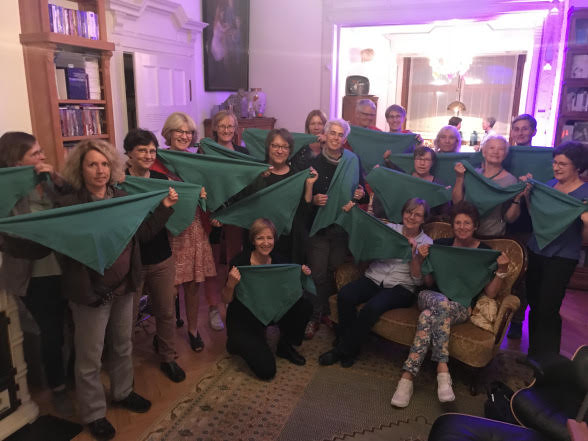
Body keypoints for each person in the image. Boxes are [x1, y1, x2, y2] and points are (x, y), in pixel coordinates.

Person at [59, 140, 177, 439]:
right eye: (92, 164)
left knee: (123, 344)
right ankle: (94, 413)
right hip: (90, 293)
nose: (100, 170)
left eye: (104, 164)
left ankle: (123, 392)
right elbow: (67, 251)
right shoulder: (70, 206)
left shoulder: (122, 198)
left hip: (124, 286)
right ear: (80, 169)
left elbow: (143, 234)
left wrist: (164, 208)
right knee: (90, 356)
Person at [390, 201, 509, 408]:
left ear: (475, 226)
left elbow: (491, 293)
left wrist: (502, 270)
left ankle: (407, 378)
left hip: (460, 307)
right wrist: (420, 259)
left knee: (428, 316)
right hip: (429, 296)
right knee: (441, 302)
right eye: (458, 223)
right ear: (452, 225)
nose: (462, 227)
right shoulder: (441, 246)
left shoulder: (485, 252)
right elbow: (427, 282)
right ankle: (443, 370)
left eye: (467, 223)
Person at [0, 132, 73, 416]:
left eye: (41, 151)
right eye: (35, 154)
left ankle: (71, 376)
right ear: (15, 162)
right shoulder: (7, 189)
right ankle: (58, 387)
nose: (43, 157)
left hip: (63, 265)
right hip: (33, 274)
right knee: (51, 332)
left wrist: (57, 179)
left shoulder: (48, 180)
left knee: (71, 325)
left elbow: (73, 204)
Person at [318, 198, 433, 367]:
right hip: (374, 277)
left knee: (371, 308)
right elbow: (366, 231)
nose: (412, 217)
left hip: (401, 288)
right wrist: (354, 212)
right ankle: (350, 348)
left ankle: (341, 350)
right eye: (409, 212)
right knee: (345, 295)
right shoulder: (389, 229)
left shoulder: (427, 243)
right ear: (403, 213)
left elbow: (418, 280)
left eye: (418, 215)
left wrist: (414, 257)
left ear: (423, 219)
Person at [123, 128, 186, 383]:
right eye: (142, 150)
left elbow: (181, 206)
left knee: (166, 312)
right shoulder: (120, 183)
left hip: (161, 257)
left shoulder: (161, 180)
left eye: (152, 150)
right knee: (127, 319)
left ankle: (168, 358)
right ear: (129, 153)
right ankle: (124, 367)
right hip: (132, 261)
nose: (149, 155)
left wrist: (198, 195)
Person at [154, 112, 216, 352]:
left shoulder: (196, 160)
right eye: (179, 131)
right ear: (168, 133)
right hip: (168, 230)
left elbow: (209, 186)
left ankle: (193, 330)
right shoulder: (157, 160)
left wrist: (204, 194)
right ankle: (164, 333)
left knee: (192, 284)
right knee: (167, 288)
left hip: (194, 227)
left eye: (189, 132)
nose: (184, 136)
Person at [222, 218, 312, 380]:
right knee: (267, 371)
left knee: (305, 306)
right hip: (245, 319)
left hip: (269, 311)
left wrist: (300, 275)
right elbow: (226, 299)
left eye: (269, 238)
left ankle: (285, 346)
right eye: (260, 238)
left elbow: (290, 291)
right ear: (253, 240)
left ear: (275, 240)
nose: (265, 243)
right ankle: (235, 341)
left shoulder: (279, 261)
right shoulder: (240, 262)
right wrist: (230, 284)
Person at [304, 118, 368, 339]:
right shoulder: (314, 162)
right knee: (318, 274)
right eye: (332, 133)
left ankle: (328, 313)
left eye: (340, 135)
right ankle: (314, 316)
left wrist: (360, 193)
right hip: (318, 228)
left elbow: (362, 193)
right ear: (325, 134)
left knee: (334, 271)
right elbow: (301, 196)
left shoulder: (352, 160)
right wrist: (314, 200)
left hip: (341, 227)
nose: (335, 138)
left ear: (345, 139)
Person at [524, 141, 588, 357]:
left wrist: (586, 222)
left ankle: (549, 361)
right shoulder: (549, 186)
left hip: (562, 257)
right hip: (536, 250)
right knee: (534, 304)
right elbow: (537, 216)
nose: (556, 167)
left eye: (562, 164)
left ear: (577, 166)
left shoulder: (585, 194)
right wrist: (528, 196)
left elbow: (585, 238)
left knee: (548, 308)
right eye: (555, 163)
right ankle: (533, 355)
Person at [452, 135, 525, 236]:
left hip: (493, 235)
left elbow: (509, 219)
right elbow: (457, 203)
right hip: (465, 234)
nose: (496, 152)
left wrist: (517, 198)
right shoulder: (473, 175)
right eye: (491, 148)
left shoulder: (510, 181)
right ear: (484, 152)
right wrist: (459, 177)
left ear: (505, 154)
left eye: (501, 149)